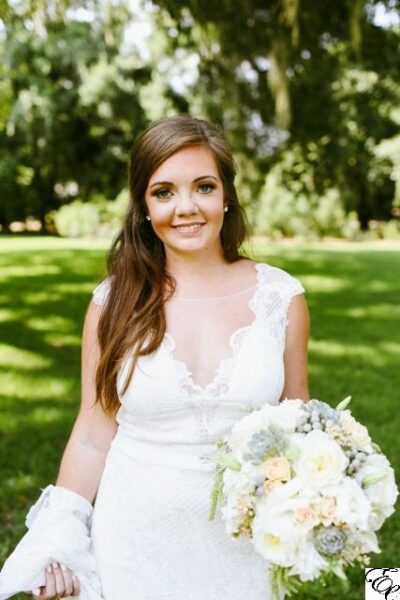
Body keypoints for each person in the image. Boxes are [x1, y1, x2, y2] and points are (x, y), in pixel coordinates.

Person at [0, 114, 310, 600]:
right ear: (143, 206)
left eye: (203, 187)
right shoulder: (112, 302)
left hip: (244, 547)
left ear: (225, 195)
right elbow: (92, 434)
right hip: (135, 542)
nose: (186, 208)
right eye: (163, 192)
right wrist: (58, 539)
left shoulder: (279, 296)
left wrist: (321, 498)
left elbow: (299, 430)